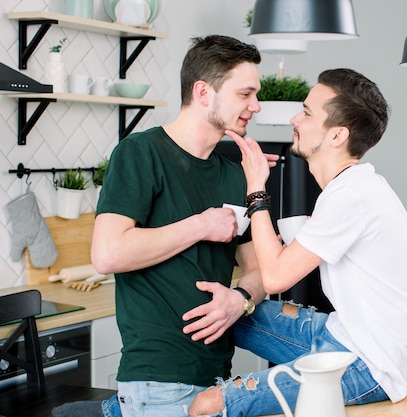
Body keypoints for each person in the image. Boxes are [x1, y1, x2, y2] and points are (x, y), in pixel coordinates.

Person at [185, 68, 407, 417]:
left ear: (337, 136)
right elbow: (279, 260)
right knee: (231, 313)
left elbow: (273, 278)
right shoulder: (352, 188)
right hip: (344, 335)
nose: (294, 119)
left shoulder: (352, 195)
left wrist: (257, 187)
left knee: (206, 406)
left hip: (372, 367)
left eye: (307, 112)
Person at [53, 35, 272, 417]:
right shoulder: (140, 153)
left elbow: (260, 270)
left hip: (218, 376)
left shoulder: (236, 176)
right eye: (245, 94)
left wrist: (241, 298)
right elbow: (107, 254)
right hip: (158, 382)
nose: (255, 106)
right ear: (204, 92)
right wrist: (201, 225)